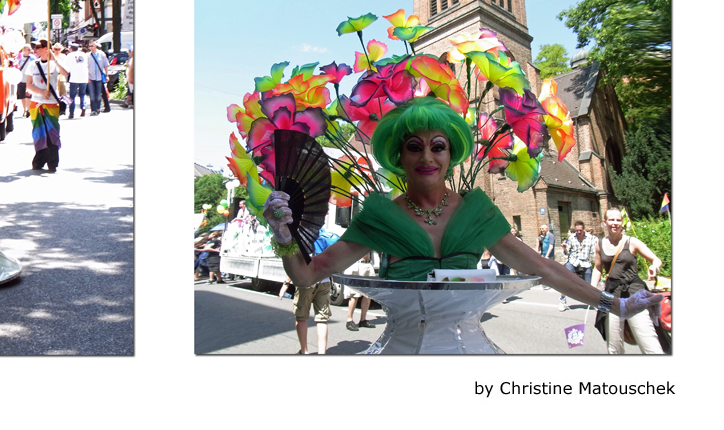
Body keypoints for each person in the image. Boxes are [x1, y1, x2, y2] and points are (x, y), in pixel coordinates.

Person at [263, 96, 663, 330]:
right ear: (398, 156)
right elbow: (305, 275)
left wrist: (614, 304)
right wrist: (283, 236)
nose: (426, 156)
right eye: (413, 147)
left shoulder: (477, 213)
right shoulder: (380, 217)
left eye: (437, 146)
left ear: (451, 154)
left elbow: (548, 270)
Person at [591, 209, 664, 354]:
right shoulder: (599, 244)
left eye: (618, 220)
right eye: (611, 220)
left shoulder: (631, 242)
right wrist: (592, 289)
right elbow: (598, 269)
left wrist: (654, 267)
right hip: (610, 294)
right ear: (605, 222)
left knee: (648, 343)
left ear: (622, 222)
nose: (615, 223)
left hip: (634, 293)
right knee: (614, 347)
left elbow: (656, 260)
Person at [24, 40, 67, 172]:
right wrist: (41, 91)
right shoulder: (32, 64)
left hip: (52, 103)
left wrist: (54, 59)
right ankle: (39, 161)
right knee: (39, 133)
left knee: (52, 134)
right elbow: (29, 84)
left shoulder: (54, 64)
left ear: (46, 49)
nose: (35, 50)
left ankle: (52, 162)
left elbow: (65, 73)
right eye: (34, 47)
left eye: (38, 47)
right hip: (36, 104)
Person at [559, 220, 598, 311]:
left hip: (585, 262)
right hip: (573, 262)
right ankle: (562, 300)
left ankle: (595, 302)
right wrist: (564, 249)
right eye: (577, 230)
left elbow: (593, 252)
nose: (579, 232)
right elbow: (567, 252)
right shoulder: (572, 238)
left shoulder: (590, 238)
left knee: (590, 285)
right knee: (566, 280)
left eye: (580, 230)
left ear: (583, 229)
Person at [345, 252, 376, 331]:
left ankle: (363, 320)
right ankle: (349, 320)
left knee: (368, 295)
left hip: (368, 264)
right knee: (355, 295)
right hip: (357, 264)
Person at [60, 44, 89, 119]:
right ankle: (83, 107)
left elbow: (66, 66)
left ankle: (71, 113)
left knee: (72, 96)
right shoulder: (84, 54)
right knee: (82, 94)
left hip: (74, 77)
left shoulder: (70, 55)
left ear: (71, 49)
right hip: (84, 77)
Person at [86, 40, 110, 115]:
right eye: (89, 46)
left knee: (98, 94)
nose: (90, 47)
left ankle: (98, 108)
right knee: (92, 94)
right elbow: (85, 67)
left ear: (95, 46)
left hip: (99, 77)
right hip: (91, 77)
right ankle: (93, 110)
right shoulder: (87, 55)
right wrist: (87, 77)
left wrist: (107, 75)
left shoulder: (101, 54)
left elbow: (106, 65)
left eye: (92, 46)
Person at [16, 45, 32, 117]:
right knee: (22, 96)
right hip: (20, 79)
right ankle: (24, 109)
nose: (30, 51)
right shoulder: (19, 58)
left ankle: (28, 110)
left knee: (28, 95)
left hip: (29, 80)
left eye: (30, 49)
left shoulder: (32, 58)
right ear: (24, 50)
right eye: (28, 49)